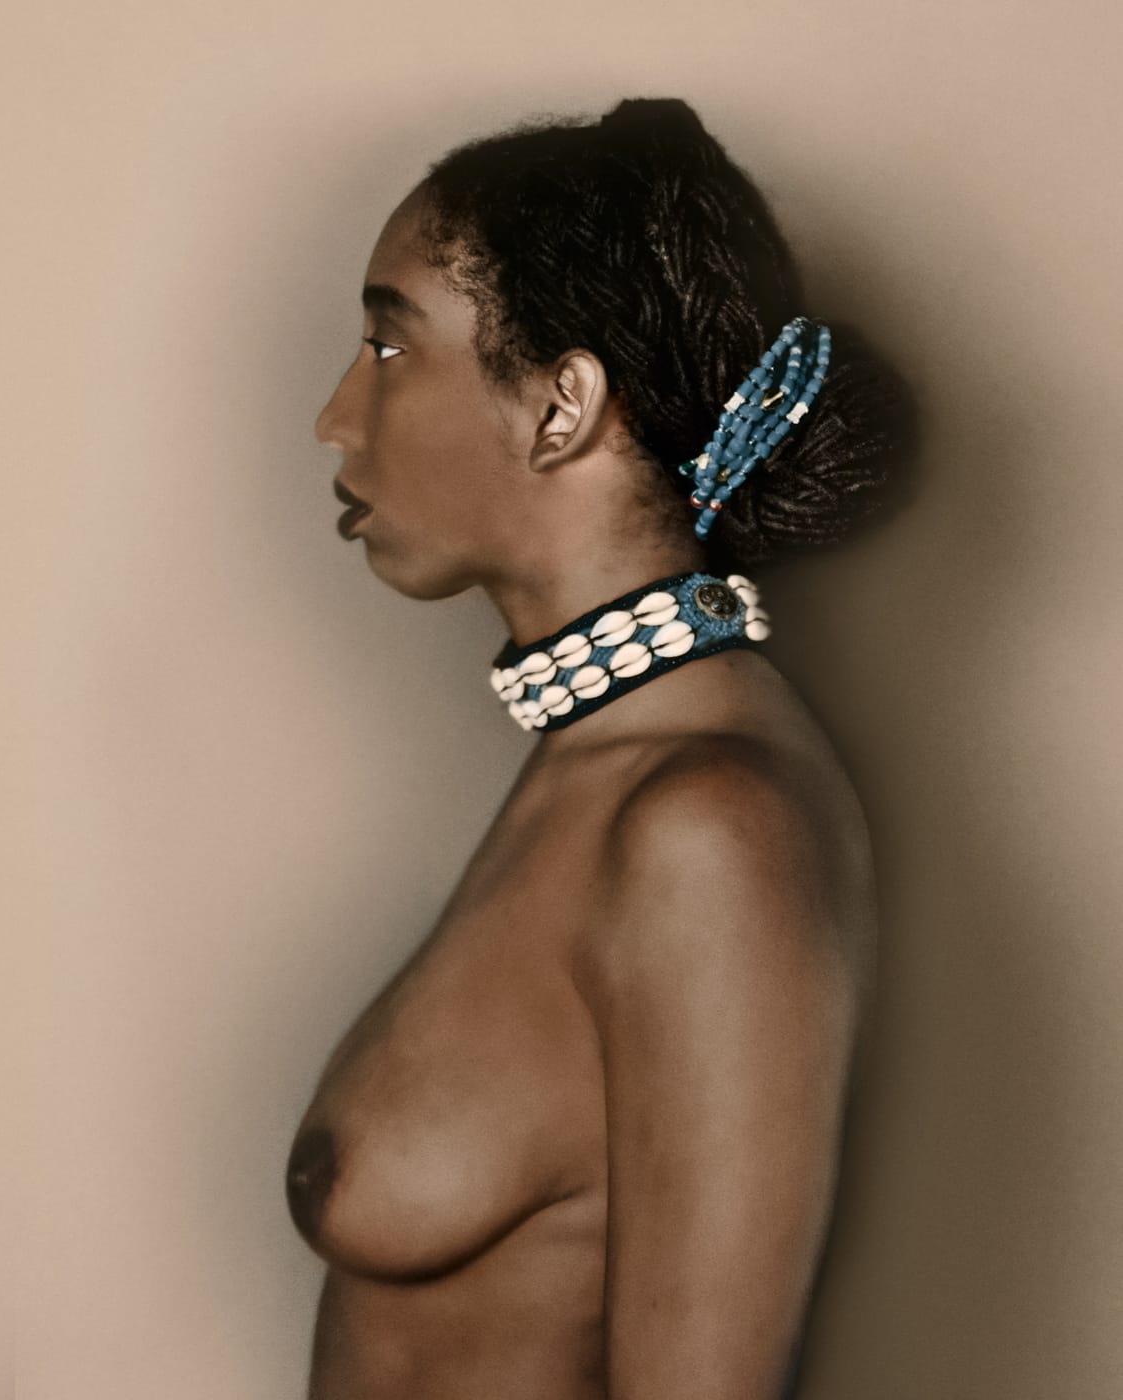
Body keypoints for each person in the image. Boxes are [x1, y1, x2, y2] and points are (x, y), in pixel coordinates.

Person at [289, 96, 918, 1400]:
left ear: (560, 406)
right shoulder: (600, 766)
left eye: (389, 346)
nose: (337, 417)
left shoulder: (707, 831)